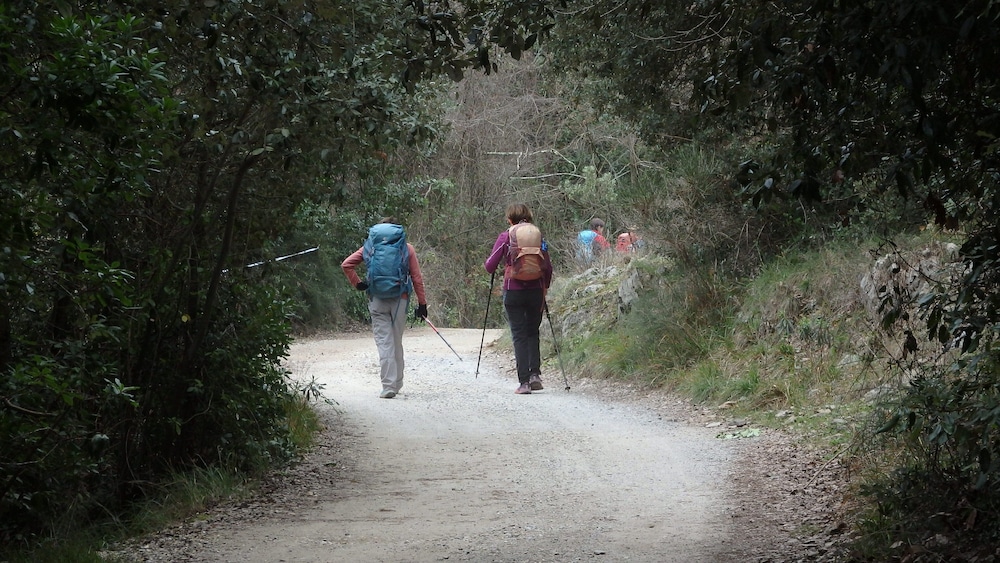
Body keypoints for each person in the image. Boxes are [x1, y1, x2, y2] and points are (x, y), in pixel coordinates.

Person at [342, 218, 428, 399]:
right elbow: (417, 278)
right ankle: (397, 383)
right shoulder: (406, 248)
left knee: (384, 342)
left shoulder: (370, 247)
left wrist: (358, 284)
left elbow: (346, 264)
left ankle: (388, 385)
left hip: (377, 299)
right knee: (396, 340)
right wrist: (422, 304)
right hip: (400, 299)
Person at [484, 203, 553, 394]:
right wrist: (544, 288)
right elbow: (548, 267)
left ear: (509, 219)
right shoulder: (538, 237)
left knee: (519, 334)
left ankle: (524, 383)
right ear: (529, 217)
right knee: (532, 332)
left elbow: (490, 266)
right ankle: (535, 375)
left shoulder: (506, 236)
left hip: (513, 290)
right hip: (536, 291)